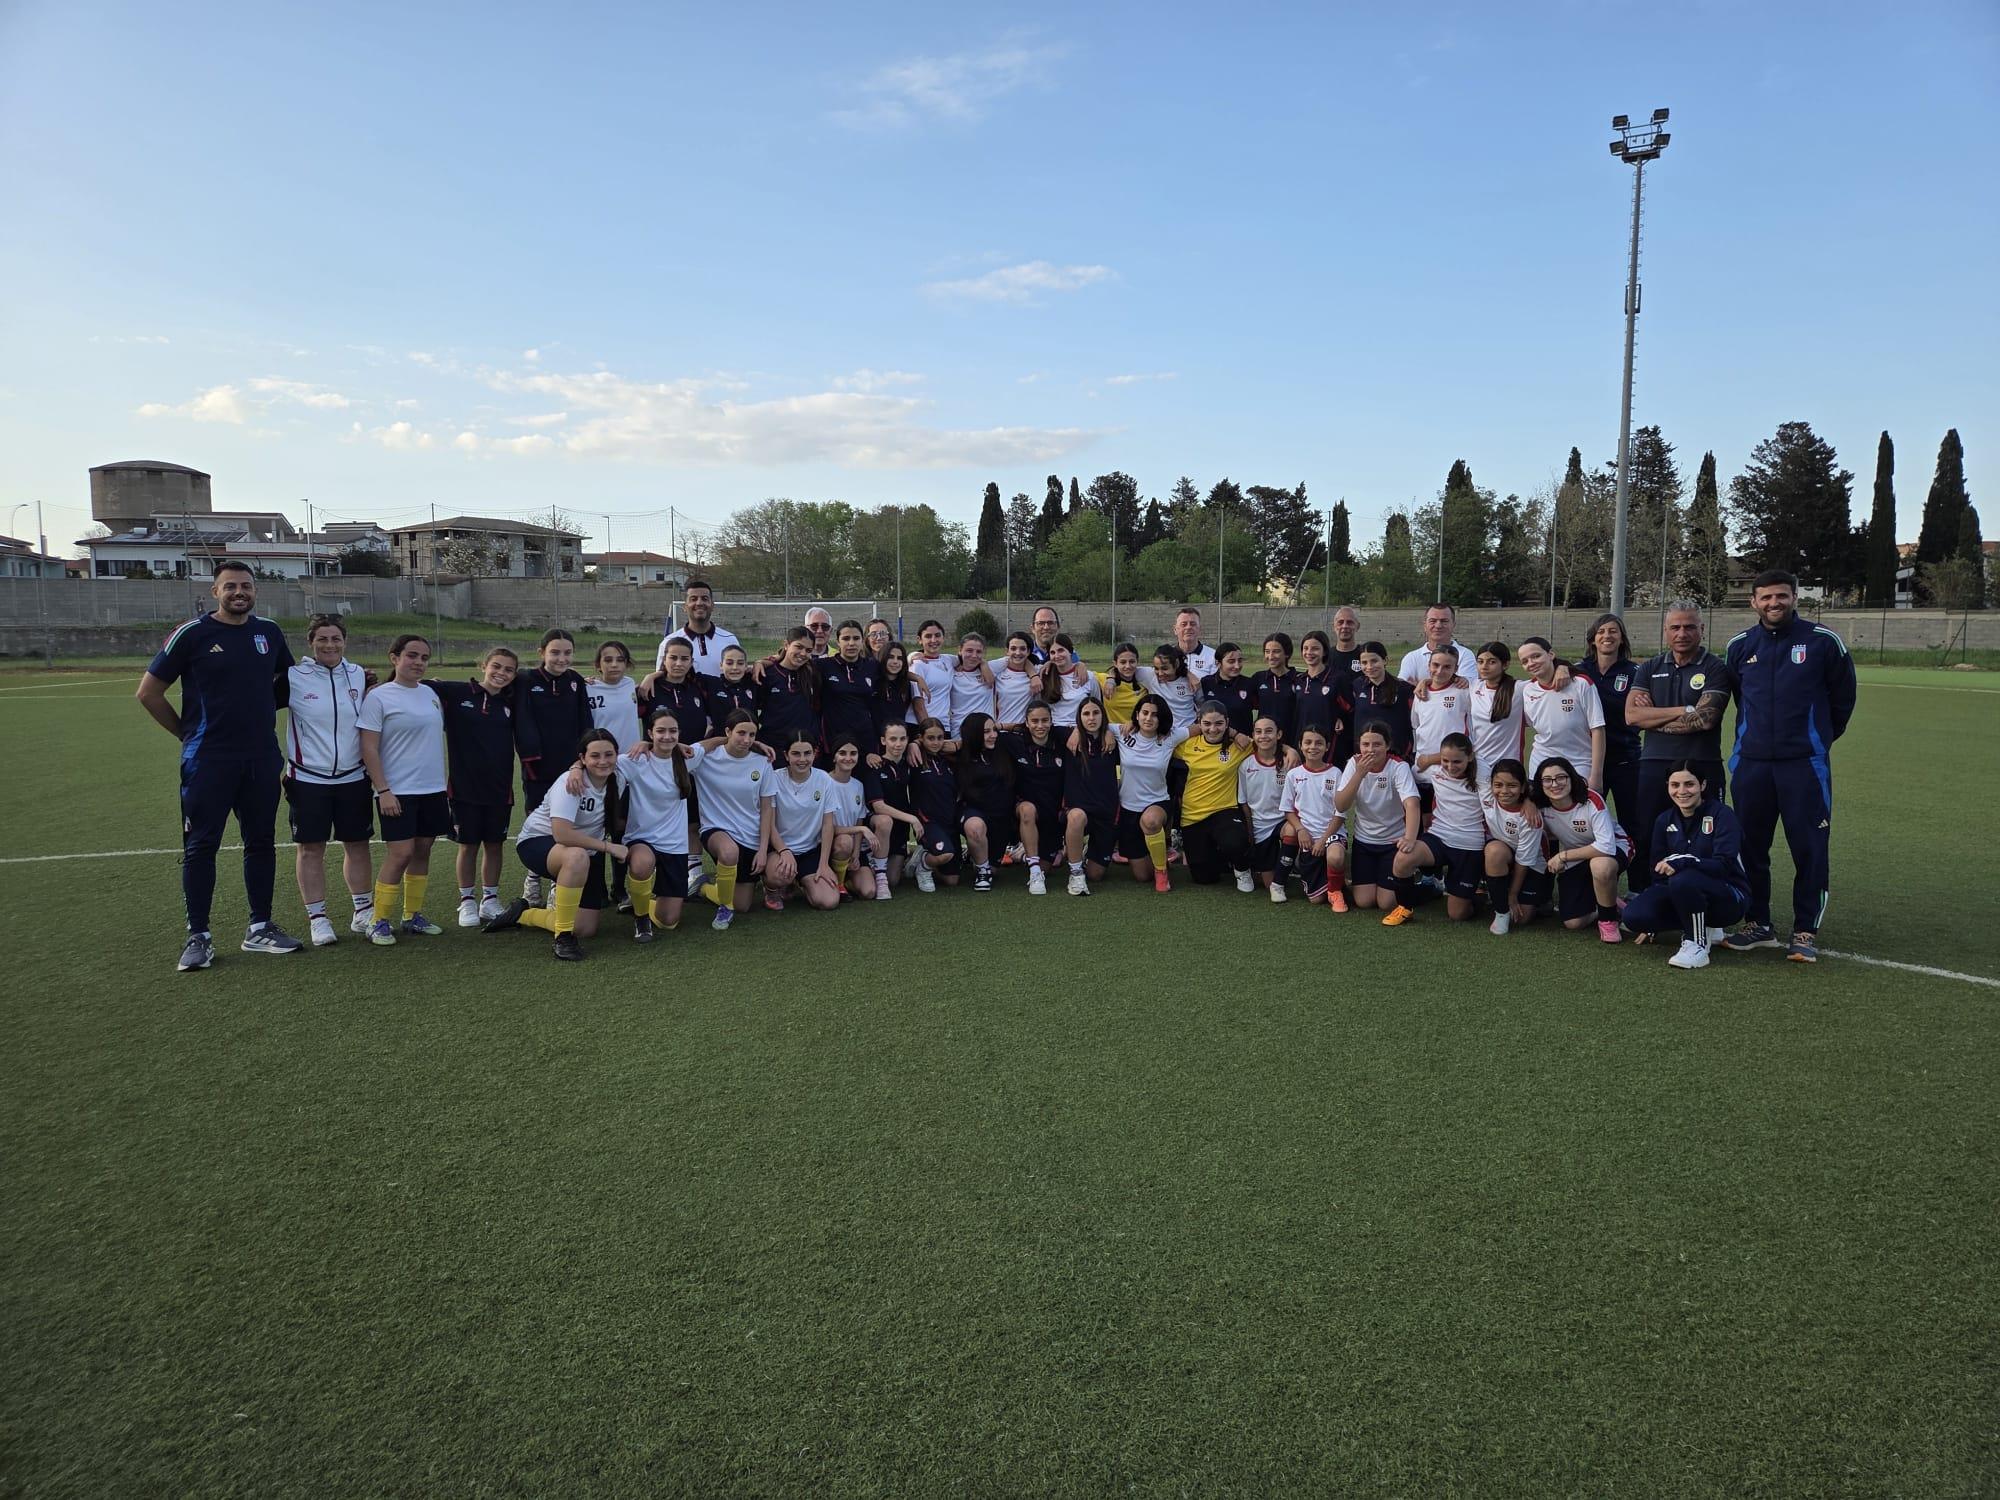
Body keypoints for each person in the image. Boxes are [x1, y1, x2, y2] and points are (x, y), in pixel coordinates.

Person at [136, 559, 301, 970]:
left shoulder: (269, 632)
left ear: (255, 591)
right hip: (208, 760)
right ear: (215, 592)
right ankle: (199, 936)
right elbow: (149, 693)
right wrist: (185, 735)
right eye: (230, 586)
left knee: (261, 842)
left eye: (245, 585)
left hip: (261, 757)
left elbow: (290, 682)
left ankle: (260, 928)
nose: (239, 592)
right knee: (201, 846)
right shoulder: (191, 634)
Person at [1719, 570, 1857, 962]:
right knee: (1749, 846)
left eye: (1781, 596)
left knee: (1809, 847)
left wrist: (1818, 739)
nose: (1773, 603)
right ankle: (1757, 923)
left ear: (1795, 597)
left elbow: (1843, 698)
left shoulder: (1823, 641)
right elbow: (1737, 697)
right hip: (1752, 764)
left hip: (1804, 765)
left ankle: (1805, 930)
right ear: (1754, 602)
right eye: (1765, 598)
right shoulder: (1740, 646)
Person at [483, 728, 624, 960]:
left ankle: (522, 915)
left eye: (609, 755)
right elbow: (562, 834)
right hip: (539, 842)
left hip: (586, 850)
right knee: (576, 856)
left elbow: (657, 748)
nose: (603, 761)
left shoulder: (620, 773)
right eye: (594, 756)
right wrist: (610, 847)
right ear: (582, 758)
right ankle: (563, 938)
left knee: (586, 929)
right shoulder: (569, 783)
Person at [1623, 603, 1734, 893]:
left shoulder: (1714, 667)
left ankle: (1707, 896)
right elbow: (1632, 716)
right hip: (1654, 763)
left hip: (1702, 763)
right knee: (1647, 831)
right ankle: (1644, 893)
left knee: (1707, 835)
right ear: (1665, 631)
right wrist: (1685, 709)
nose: (1682, 633)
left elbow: (1706, 719)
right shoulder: (1650, 667)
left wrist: (1655, 718)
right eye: (1675, 627)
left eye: (1689, 626)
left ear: (1701, 629)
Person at [283, 613, 374, 947]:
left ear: (344, 641)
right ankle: (318, 918)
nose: (329, 645)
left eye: (336, 638)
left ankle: (363, 910)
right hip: (308, 778)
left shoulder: (359, 676)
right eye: (322, 638)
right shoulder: (294, 677)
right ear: (311, 642)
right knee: (311, 849)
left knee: (358, 844)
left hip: (353, 777)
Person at [357, 634, 451, 944]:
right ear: (394, 658)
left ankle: (412, 916)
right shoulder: (379, 697)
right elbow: (368, 748)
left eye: (424, 657)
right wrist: (383, 790)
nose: (419, 663)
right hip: (397, 790)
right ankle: (378, 919)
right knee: (401, 853)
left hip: (432, 788)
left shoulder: (431, 694)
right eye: (412, 655)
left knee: (423, 850)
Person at [1620, 761, 1750, 970]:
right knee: (1635, 916)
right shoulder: (1664, 820)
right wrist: (1653, 921)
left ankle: (1697, 943)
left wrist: (1684, 861)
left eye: (1689, 784)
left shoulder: (1722, 815)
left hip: (1728, 896)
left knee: (1684, 879)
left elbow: (1723, 866)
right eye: (1675, 785)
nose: (1682, 791)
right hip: (1682, 890)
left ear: (1703, 785)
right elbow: (1658, 873)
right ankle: (1700, 922)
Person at [431, 646, 521, 928]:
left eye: (508, 669)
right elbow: (416, 684)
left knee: (495, 845)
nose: (501, 673)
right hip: (464, 788)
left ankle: (490, 900)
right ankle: (467, 901)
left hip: (499, 788)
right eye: (496, 666)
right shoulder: (457, 693)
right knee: (468, 846)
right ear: (483, 665)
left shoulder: (512, 701)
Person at [513, 628, 591, 903]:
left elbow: (586, 724)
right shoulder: (525, 680)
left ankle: (559, 882)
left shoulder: (576, 682)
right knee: (540, 825)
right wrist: (529, 759)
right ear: (542, 653)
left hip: (571, 769)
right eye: (555, 652)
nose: (561, 658)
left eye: (567, 653)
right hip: (538, 769)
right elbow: (519, 718)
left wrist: (581, 762)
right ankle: (534, 876)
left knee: (569, 823)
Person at [611, 707, 699, 939]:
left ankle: (640, 900)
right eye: (661, 731)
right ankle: (641, 919)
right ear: (650, 733)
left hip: (675, 845)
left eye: (673, 731)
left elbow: (717, 743)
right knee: (641, 864)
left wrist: (758, 745)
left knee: (669, 921)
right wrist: (576, 768)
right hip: (642, 839)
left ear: (679, 733)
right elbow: (597, 761)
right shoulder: (634, 760)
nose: (667, 736)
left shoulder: (687, 757)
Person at [1387, 732, 1485, 924]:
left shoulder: (1483, 772)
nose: (1450, 766)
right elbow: (1410, 772)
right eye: (1445, 760)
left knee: (1457, 914)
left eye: (1457, 761)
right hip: (1439, 837)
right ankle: (1405, 907)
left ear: (1470, 757)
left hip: (1469, 845)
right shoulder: (1434, 769)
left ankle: (1477, 896)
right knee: (1402, 859)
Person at [1531, 756, 1631, 943]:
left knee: (1600, 865)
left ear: (1571, 778)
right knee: (1573, 923)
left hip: (1614, 848)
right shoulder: (1541, 805)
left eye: (1561, 777)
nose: (1555, 784)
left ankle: (1608, 920)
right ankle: (1608, 901)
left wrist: (1563, 856)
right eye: (1547, 780)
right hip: (1578, 854)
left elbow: (1606, 846)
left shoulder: (1590, 799)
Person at [693, 709, 771, 931]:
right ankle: (725, 907)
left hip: (750, 837)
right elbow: (684, 752)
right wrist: (720, 741)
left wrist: (763, 850)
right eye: (741, 733)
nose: (747, 740)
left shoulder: (762, 763)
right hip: (716, 830)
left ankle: (703, 888)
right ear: (728, 731)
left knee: (744, 905)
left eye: (752, 735)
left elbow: (767, 809)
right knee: (729, 852)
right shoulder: (707, 758)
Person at [1334, 722, 1421, 916]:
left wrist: (1409, 838)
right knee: (1364, 902)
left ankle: (1412, 882)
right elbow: (1341, 805)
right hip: (1364, 842)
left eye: (1377, 744)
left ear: (1387, 746)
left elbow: (1412, 804)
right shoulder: (1354, 764)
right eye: (1365, 745)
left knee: (1386, 903)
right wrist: (1359, 774)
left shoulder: (1398, 767)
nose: (1370, 750)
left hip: (1391, 843)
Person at [586, 640, 646, 912]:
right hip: (598, 769)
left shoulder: (631, 686)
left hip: (628, 769)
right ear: (598, 664)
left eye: (619, 659)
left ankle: (619, 888)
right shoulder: (587, 689)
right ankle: (595, 889)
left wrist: (654, 674)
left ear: (627, 663)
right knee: (596, 829)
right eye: (607, 660)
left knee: (621, 830)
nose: (613, 665)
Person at [1573, 613, 1641, 835]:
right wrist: (1562, 668)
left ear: (1622, 638)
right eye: (1601, 632)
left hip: (1625, 760)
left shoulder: (1635, 673)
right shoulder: (1578, 671)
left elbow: (1643, 712)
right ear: (1593, 639)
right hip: (1585, 761)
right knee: (1585, 825)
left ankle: (1637, 870)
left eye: (1613, 631)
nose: (1607, 636)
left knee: (1632, 824)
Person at [758, 731, 841, 910]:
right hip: (780, 850)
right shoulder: (774, 778)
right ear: (786, 755)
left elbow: (828, 825)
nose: (802, 759)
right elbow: (769, 822)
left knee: (829, 901)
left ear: (814, 754)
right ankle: (772, 887)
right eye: (796, 754)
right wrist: (784, 850)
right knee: (779, 875)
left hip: (810, 851)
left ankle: (799, 881)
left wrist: (824, 864)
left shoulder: (824, 779)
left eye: (807, 753)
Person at [1175, 702, 1253, 888]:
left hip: (1224, 810)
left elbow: (1268, 744)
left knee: (1234, 842)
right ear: (1199, 723)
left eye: (1218, 723)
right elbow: (1158, 741)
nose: (1212, 729)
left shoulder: (1239, 745)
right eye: (1207, 724)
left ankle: (1242, 870)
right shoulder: (1187, 745)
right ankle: (1220, 857)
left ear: (1227, 723)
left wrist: (1288, 750)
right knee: (1204, 877)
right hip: (1192, 816)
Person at [1517, 636, 1605, 793]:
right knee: (1543, 815)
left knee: (1577, 815)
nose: (1531, 663)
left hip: (1579, 765)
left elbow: (1597, 729)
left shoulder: (1581, 684)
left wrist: (1596, 776)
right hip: (1540, 764)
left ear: (1551, 655)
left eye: (1536, 656)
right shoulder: (1527, 690)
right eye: (1525, 661)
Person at [1116, 693, 1178, 891]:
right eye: (1144, 713)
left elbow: (1200, 727)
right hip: (1128, 809)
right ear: (1137, 714)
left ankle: (1162, 873)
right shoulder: (1122, 733)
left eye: (1154, 715)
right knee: (1142, 876)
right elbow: (1091, 724)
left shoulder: (1170, 736)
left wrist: (1235, 734)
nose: (1148, 718)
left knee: (1150, 821)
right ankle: (1160, 855)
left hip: (1158, 802)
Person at [1279, 724, 1345, 909]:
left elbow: (1340, 813)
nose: (1313, 747)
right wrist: (1300, 830)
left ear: (1327, 746)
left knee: (1336, 856)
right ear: (1300, 745)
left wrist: (1323, 839)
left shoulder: (1336, 773)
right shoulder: (1294, 774)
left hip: (1331, 835)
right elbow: (1288, 809)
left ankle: (1336, 892)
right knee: (1316, 900)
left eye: (1319, 743)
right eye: (1308, 742)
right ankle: (1324, 877)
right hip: (1307, 836)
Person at [1480, 757, 1548, 936]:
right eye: (1498, 785)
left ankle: (1510, 893)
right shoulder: (1487, 795)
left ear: (1523, 787)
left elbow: (1524, 861)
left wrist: (1513, 894)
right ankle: (1500, 911)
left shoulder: (1530, 817)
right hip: (1503, 854)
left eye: (1512, 785)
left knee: (1522, 918)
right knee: (1495, 852)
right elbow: (1472, 758)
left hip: (1531, 864)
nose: (1504, 791)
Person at [1060, 697, 1120, 896]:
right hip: (1077, 810)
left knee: (1095, 874)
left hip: (1105, 813)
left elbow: (1133, 727)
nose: (1091, 718)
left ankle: (1080, 851)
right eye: (1086, 714)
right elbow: (1037, 727)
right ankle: (1076, 873)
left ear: (1103, 715)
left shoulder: (1114, 742)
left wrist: (1110, 730)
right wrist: (1077, 730)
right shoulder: (1068, 739)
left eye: (1096, 713)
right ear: (1079, 717)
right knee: (1077, 817)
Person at [1006, 702, 1067, 894]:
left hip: (1051, 815)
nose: (1040, 725)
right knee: (1027, 810)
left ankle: (1025, 855)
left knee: (1046, 868)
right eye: (1034, 721)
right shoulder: (1014, 741)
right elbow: (980, 734)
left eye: (1044, 720)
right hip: (1022, 810)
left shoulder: (1062, 740)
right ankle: (1033, 873)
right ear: (1026, 722)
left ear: (1051, 721)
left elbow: (1089, 729)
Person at [952, 712, 1013, 891]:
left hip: (1001, 817)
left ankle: (977, 857)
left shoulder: (1003, 749)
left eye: (994, 730)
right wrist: (915, 744)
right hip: (974, 812)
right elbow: (933, 745)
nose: (993, 735)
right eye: (986, 731)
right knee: (976, 828)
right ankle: (982, 871)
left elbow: (1024, 728)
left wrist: (1001, 727)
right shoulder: (961, 756)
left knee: (995, 869)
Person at [1237, 715, 1290, 902]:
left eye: (1269, 731)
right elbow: (1244, 804)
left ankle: (1287, 876)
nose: (1263, 736)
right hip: (1260, 826)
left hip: (1285, 821)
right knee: (1267, 881)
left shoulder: (1288, 763)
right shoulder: (1246, 766)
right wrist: (1250, 832)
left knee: (1291, 832)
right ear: (1253, 735)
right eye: (1258, 732)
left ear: (1279, 734)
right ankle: (1274, 870)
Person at [865, 720, 922, 894]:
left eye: (902, 739)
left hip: (900, 830)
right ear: (883, 741)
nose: (898, 744)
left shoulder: (910, 764)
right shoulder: (874, 766)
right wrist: (912, 818)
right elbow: (879, 806)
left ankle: (914, 857)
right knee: (884, 820)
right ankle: (874, 864)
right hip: (880, 825)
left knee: (894, 881)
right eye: (892, 739)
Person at [1409, 647, 1472, 801]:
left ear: (1456, 669)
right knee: (1424, 821)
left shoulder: (1463, 692)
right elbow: (1417, 728)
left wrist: (1433, 758)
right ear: (1428, 665)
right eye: (1435, 665)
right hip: (1422, 771)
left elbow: (1472, 734)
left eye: (1447, 667)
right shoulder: (1420, 693)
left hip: (1451, 771)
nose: (1439, 671)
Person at [909, 718, 964, 890]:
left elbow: (972, 743)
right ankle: (923, 866)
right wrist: (914, 743)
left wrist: (955, 746)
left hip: (949, 821)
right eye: (930, 738)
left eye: (940, 738)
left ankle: (924, 856)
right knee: (945, 854)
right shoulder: (914, 758)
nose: (936, 742)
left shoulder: (948, 759)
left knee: (952, 880)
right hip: (928, 821)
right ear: (922, 738)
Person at [1465, 642, 1526, 789]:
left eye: (1492, 662)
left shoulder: (1519, 688)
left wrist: (1562, 668)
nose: (1484, 666)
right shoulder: (1473, 686)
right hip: (1479, 764)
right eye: (1480, 662)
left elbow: (1548, 675)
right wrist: (1425, 682)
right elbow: (1442, 679)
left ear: (1505, 665)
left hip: (1509, 765)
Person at [816, 620, 881, 753]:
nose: (851, 643)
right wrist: (762, 663)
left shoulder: (872, 666)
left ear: (862, 641)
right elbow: (792, 661)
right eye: (846, 638)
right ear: (838, 642)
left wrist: (917, 678)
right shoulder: (823, 666)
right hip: (835, 741)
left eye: (856, 638)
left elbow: (897, 670)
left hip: (865, 739)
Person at [754, 628, 821, 756]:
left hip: (803, 750)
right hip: (773, 748)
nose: (803, 653)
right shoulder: (766, 674)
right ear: (786, 645)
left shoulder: (813, 673)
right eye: (798, 647)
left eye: (808, 651)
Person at [824, 737, 876, 900]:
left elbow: (859, 820)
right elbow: (828, 827)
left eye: (853, 753)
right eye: (842, 753)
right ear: (834, 757)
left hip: (851, 847)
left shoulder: (858, 785)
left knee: (869, 892)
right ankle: (838, 883)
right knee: (845, 841)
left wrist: (855, 852)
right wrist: (861, 829)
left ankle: (846, 880)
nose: (848, 758)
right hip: (831, 845)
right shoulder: (824, 782)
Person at [656, 577, 741, 676]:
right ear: (685, 606)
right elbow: (661, 679)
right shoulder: (669, 642)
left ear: (712, 605)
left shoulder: (729, 639)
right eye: (693, 599)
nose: (699, 603)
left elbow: (740, 674)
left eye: (705, 599)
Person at [1347, 643, 1412, 761]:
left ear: (1385, 660)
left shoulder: (1403, 689)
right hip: (1365, 756)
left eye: (1374, 661)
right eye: (1364, 663)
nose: (1369, 666)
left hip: (1396, 757)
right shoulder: (1357, 685)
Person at [1137, 643, 1201, 747]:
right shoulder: (1150, 675)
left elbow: (1202, 707)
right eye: (1156, 668)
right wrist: (1111, 680)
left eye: (1165, 668)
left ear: (1176, 664)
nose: (1160, 673)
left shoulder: (1191, 681)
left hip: (1189, 734)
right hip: (1163, 735)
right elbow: (1122, 669)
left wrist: (1188, 674)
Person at [1396, 604, 1477, 685]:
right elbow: (1402, 687)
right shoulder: (1411, 658)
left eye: (1444, 621)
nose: (1438, 626)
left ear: (1453, 625)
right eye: (1433, 621)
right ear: (1425, 625)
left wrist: (1423, 683)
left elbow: (1464, 688)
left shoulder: (1465, 655)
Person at [1037, 635, 1100, 729]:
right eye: (1052, 652)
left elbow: (1098, 706)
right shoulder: (1044, 675)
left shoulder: (1088, 676)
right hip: (1054, 730)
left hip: (1081, 730)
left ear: (1070, 651)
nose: (1057, 656)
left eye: (1061, 650)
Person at [1198, 644, 1258, 739]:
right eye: (1231, 661)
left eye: (1240, 660)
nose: (1237, 666)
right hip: (1213, 743)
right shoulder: (1206, 683)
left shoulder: (1249, 684)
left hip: (1242, 744)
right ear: (1218, 663)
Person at [909, 620, 957, 736]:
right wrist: (928, 732)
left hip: (943, 725)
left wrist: (983, 665)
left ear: (943, 638)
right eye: (928, 636)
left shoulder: (948, 660)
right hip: (923, 727)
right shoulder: (917, 664)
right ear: (919, 640)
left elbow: (970, 658)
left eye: (937, 635)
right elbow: (918, 705)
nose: (933, 640)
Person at [1251, 633, 1298, 748]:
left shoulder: (1299, 679)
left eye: (1276, 651)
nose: (1271, 656)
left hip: (1293, 740)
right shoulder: (1258, 678)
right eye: (1267, 651)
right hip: (1265, 741)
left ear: (1287, 653)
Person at [946, 634, 997, 739]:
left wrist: (984, 664)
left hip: (986, 733)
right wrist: (913, 655)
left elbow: (1018, 659)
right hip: (959, 733)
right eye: (969, 650)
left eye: (978, 652)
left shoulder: (992, 668)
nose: (974, 655)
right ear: (960, 650)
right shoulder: (950, 671)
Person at [875, 640, 926, 740]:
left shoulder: (906, 685)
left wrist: (918, 678)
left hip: (898, 741)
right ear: (883, 658)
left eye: (899, 658)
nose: (895, 661)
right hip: (876, 739)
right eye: (890, 657)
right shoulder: (873, 682)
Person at [992, 632, 1041, 731]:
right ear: (1007, 651)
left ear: (1028, 652)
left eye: (1022, 649)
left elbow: (1056, 666)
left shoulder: (1038, 671)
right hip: (1001, 731)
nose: (1018, 653)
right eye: (1013, 648)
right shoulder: (998, 673)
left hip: (1025, 732)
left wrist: (1080, 665)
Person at [1097, 642, 1146, 727]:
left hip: (1137, 733)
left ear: (1137, 661)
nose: (1128, 666)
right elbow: (1080, 672)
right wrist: (1080, 665)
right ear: (1115, 663)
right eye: (1123, 662)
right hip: (1112, 733)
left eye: (1132, 661)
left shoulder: (1145, 682)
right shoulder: (1104, 679)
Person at [1173, 607, 1217, 680]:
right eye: (1184, 624)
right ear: (1175, 629)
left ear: (1199, 629)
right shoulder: (1167, 656)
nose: (1188, 627)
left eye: (1193, 624)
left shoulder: (1213, 656)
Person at [1327, 606, 1365, 678]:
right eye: (1340, 622)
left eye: (1350, 622)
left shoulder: (1366, 655)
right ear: (1334, 627)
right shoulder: (1325, 657)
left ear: (1358, 626)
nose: (1344, 626)